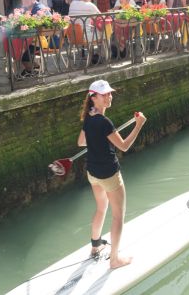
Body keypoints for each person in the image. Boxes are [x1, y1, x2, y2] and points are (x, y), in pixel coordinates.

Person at [77, 80, 146, 269]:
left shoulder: (89, 117)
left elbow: (82, 142)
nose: (109, 97)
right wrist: (139, 124)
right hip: (109, 174)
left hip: (93, 173)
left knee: (101, 208)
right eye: (104, 94)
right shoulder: (104, 122)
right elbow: (124, 146)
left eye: (110, 93)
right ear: (93, 98)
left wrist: (98, 137)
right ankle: (114, 260)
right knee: (118, 216)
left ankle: (95, 246)